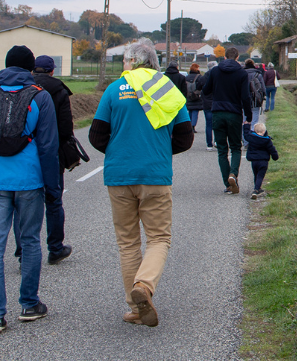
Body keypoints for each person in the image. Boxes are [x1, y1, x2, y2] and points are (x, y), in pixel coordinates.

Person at [88, 39, 193, 327]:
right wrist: (156, 151)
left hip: (119, 176)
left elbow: (96, 137)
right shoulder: (166, 89)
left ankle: (135, 309)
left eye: (125, 60)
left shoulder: (114, 90)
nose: (124, 65)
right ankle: (144, 287)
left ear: (134, 61)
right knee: (159, 238)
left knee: (128, 242)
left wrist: (122, 150)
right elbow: (185, 138)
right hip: (155, 176)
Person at [0, 45, 60, 333]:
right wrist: (53, 187)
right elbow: (48, 147)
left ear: (6, 66)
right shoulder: (41, 97)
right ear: (31, 69)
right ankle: (29, 304)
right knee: (30, 241)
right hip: (29, 178)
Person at [14, 54, 74, 265]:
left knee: (22, 204)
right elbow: (66, 128)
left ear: (32, 70)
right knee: (54, 200)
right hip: (52, 151)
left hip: (24, 152)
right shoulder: (59, 90)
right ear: (52, 71)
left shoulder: (21, 87)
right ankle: (55, 248)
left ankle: (23, 252)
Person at [201, 47, 252, 194]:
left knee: (222, 150)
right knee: (236, 147)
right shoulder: (241, 73)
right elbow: (245, 97)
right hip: (234, 113)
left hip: (217, 112)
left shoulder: (215, 71)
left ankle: (228, 185)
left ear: (224, 57)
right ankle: (233, 174)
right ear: (237, 57)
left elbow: (205, 90)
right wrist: (248, 116)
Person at [242, 122, 279, 199]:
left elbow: (245, 134)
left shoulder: (251, 137)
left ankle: (258, 188)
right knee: (260, 176)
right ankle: (256, 190)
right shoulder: (266, 140)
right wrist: (275, 157)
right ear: (264, 131)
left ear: (255, 131)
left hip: (254, 161)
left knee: (256, 174)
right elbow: (272, 149)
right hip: (263, 161)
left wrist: (246, 125)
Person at [242, 59, 266, 146]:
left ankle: (245, 141)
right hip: (255, 100)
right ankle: (253, 140)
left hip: (243, 101)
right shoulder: (257, 74)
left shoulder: (241, 74)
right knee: (254, 121)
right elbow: (262, 88)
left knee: (245, 121)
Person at [184, 62, 204, 135]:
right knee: (195, 111)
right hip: (196, 97)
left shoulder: (187, 77)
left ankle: (189, 125)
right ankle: (193, 126)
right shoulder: (199, 77)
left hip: (188, 96)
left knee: (190, 111)